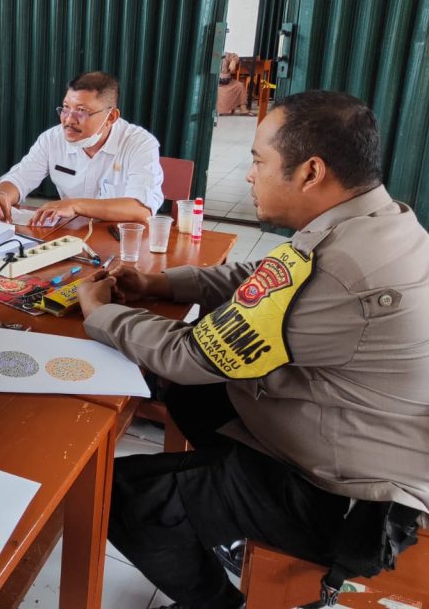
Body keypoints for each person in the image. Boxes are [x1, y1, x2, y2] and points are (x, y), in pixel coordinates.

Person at [75, 91, 429, 609]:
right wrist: (160, 285)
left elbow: (189, 355)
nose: (249, 175)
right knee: (190, 400)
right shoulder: (376, 222)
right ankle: (218, 516)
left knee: (121, 497)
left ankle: (219, 603)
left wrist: (98, 311)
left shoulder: (343, 270)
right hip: (347, 436)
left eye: (259, 161)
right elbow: (260, 276)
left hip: (351, 501)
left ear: (310, 172)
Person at [0, 71, 163, 226]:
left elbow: (141, 210)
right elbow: (20, 177)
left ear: (111, 116)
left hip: (119, 241)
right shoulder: (52, 139)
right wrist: (2, 194)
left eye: (82, 111)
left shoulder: (140, 144)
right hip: (68, 235)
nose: (68, 120)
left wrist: (75, 205)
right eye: (66, 108)